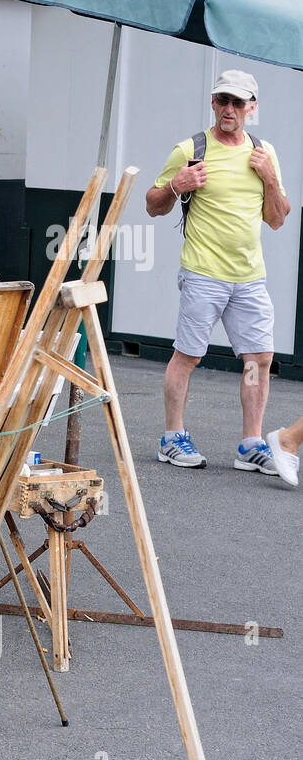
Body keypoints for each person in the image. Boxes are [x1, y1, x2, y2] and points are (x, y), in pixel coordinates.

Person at [145, 69, 291, 473]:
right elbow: (153, 205)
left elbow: (277, 220)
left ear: (252, 108)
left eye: (238, 102)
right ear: (213, 102)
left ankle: (250, 444)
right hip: (203, 272)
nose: (229, 109)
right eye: (223, 100)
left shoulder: (264, 153)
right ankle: (172, 438)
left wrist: (270, 178)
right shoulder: (191, 148)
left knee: (258, 359)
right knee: (188, 356)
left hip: (249, 277)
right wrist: (178, 184)